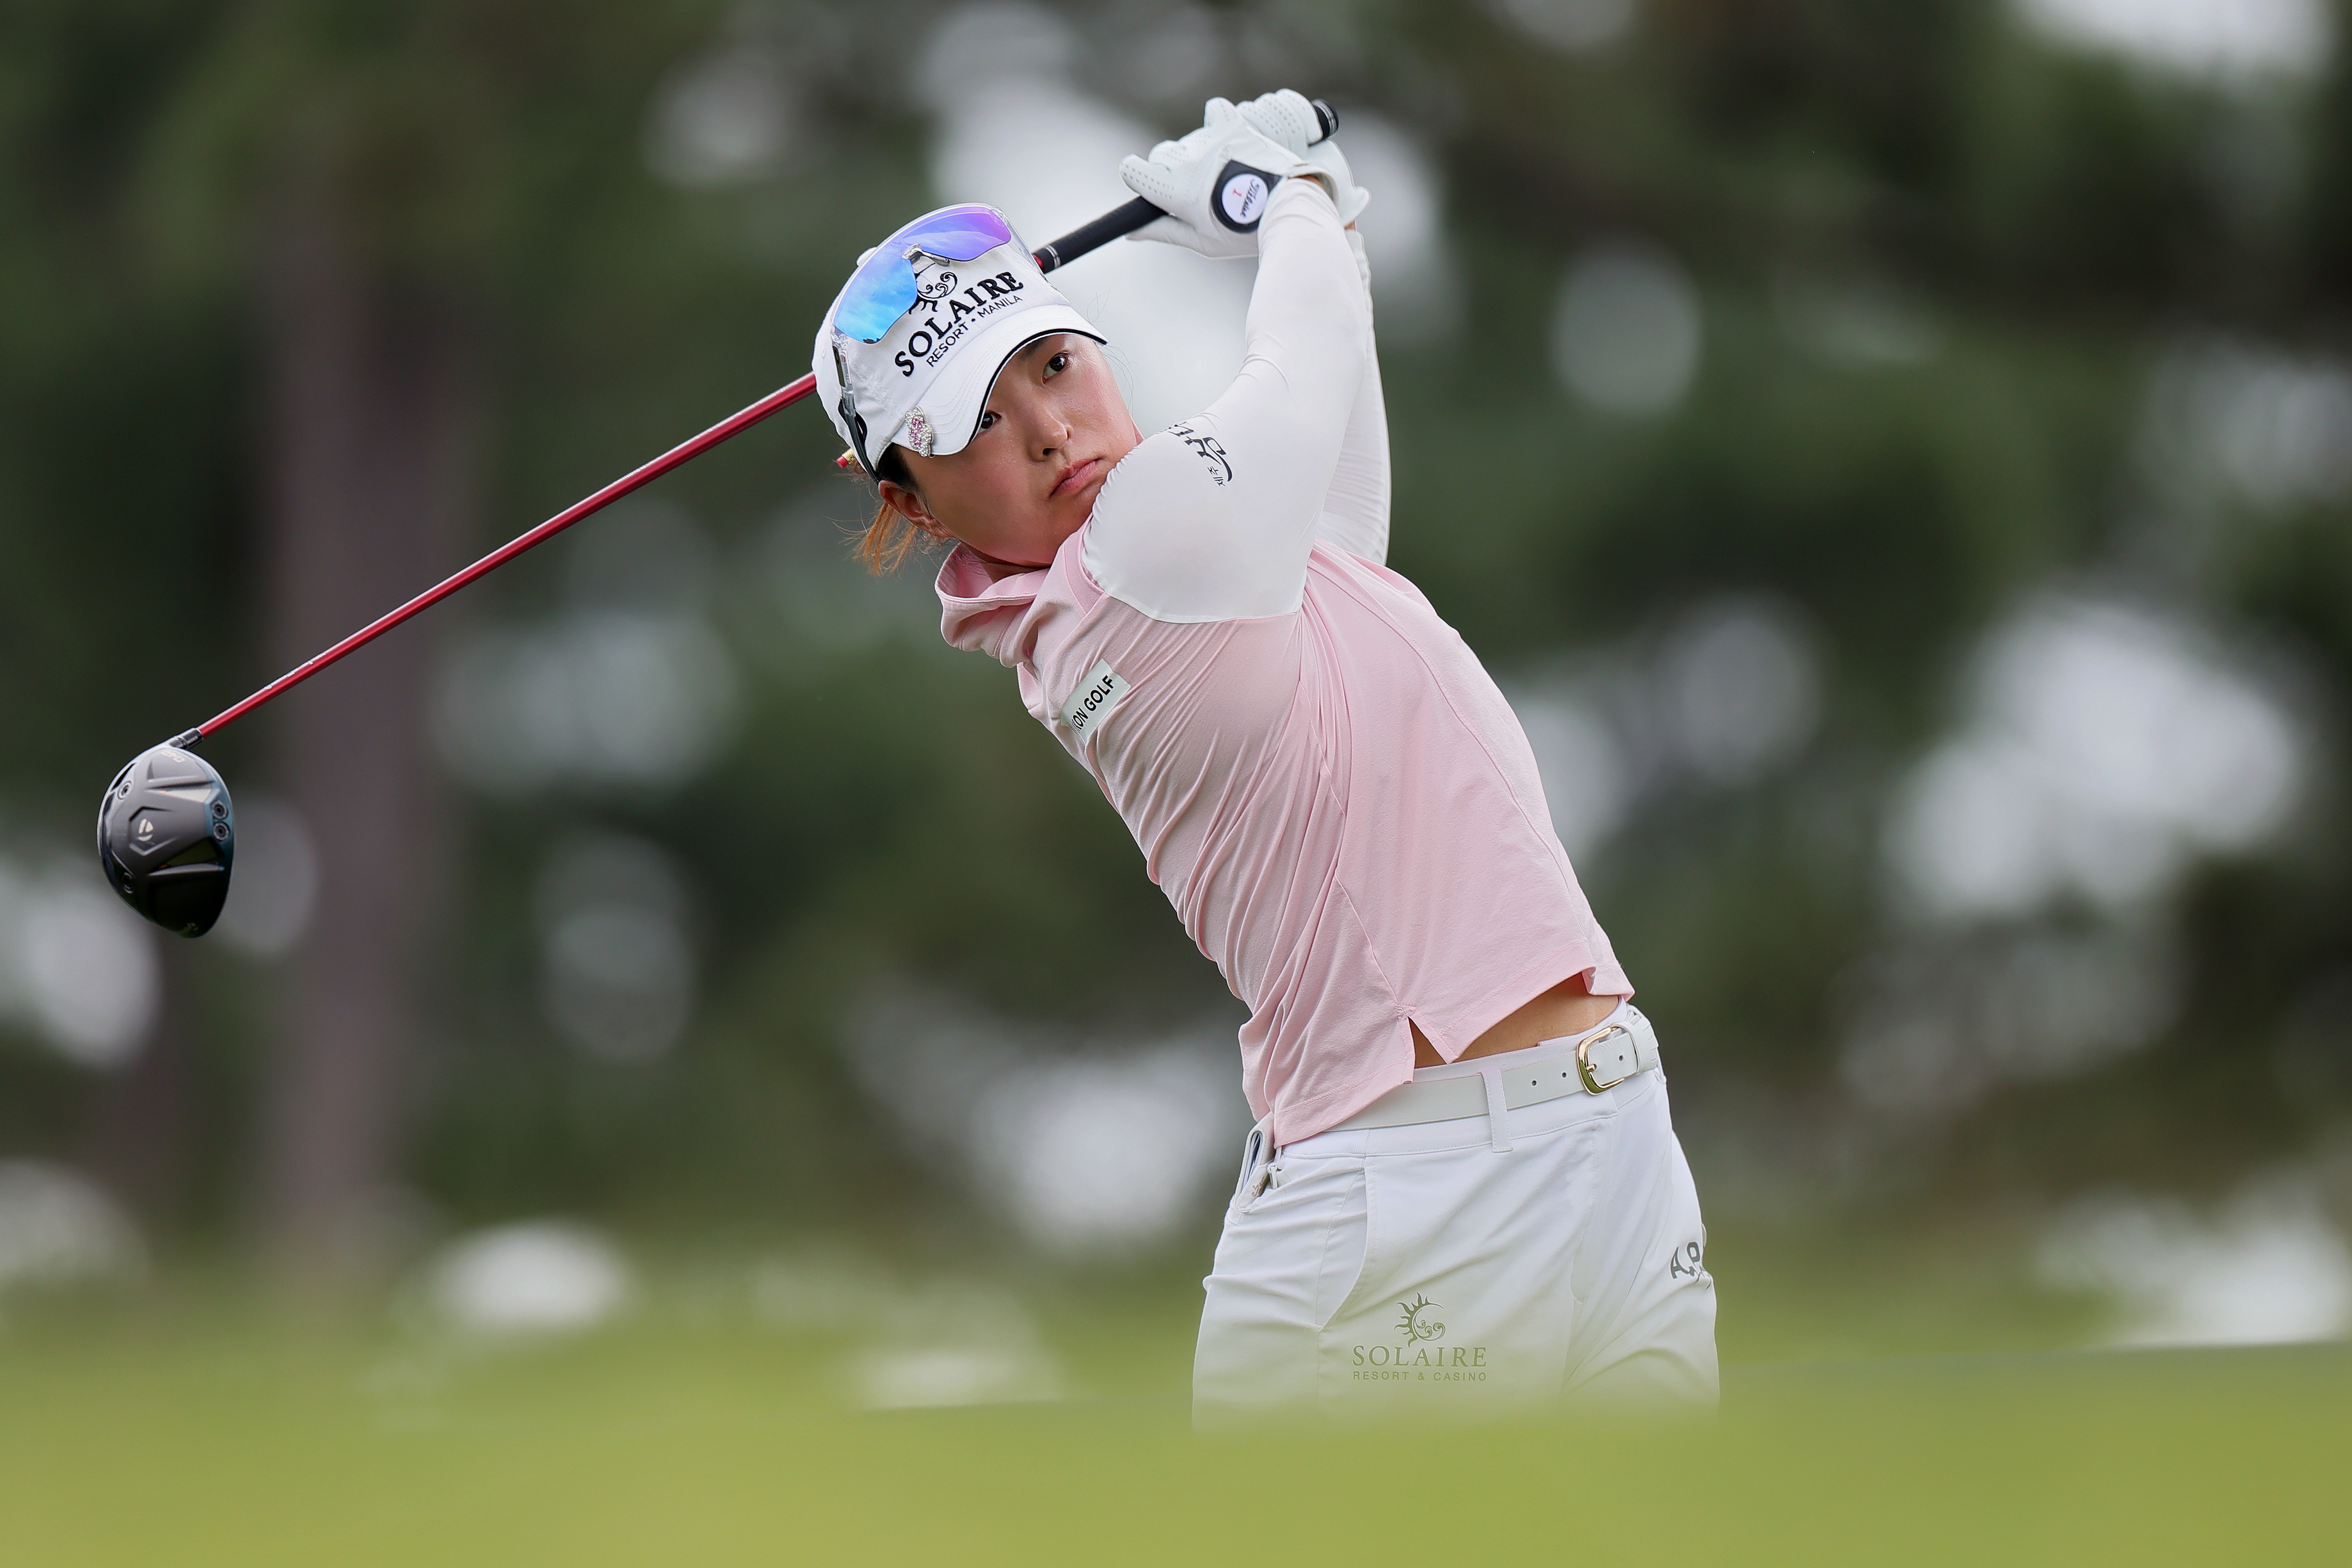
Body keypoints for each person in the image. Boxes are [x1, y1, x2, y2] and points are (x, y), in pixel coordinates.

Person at [813, 92, 1716, 1421]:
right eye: (977, 424)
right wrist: (1276, 197)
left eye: (1053, 365)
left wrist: (1312, 204)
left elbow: (1332, 409)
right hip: (1405, 1200)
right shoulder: (1138, 562)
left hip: (1607, 1130)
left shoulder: (1215, 542)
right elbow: (1300, 370)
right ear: (910, 497)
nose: (1051, 429)